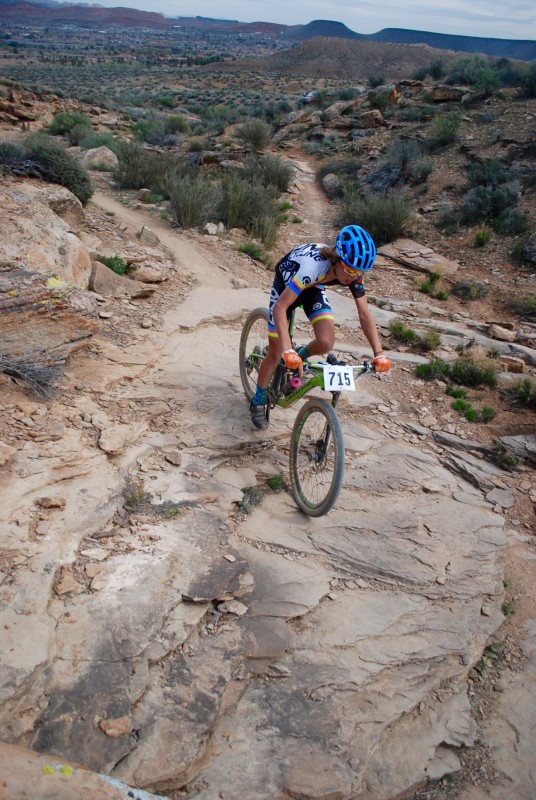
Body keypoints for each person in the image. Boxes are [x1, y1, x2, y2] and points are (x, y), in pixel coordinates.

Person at [249, 224, 391, 430]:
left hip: (313, 286)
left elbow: (364, 314)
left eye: (358, 272)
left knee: (326, 342)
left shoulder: (350, 272)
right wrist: (286, 350)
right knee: (275, 352)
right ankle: (258, 400)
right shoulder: (313, 267)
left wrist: (379, 353)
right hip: (289, 282)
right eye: (350, 269)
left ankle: (300, 355)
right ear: (337, 258)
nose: (352, 276)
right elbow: (281, 307)